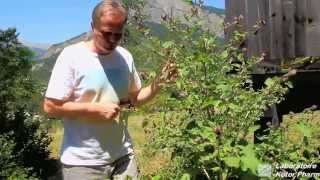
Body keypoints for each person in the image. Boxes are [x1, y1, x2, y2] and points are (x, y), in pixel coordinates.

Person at [43, 0, 176, 179]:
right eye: (106, 33)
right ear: (92, 26)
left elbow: (136, 98)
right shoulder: (72, 56)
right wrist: (94, 108)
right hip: (83, 164)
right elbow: (50, 106)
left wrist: (160, 81)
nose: (112, 40)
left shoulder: (125, 57)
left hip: (123, 157)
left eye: (118, 34)